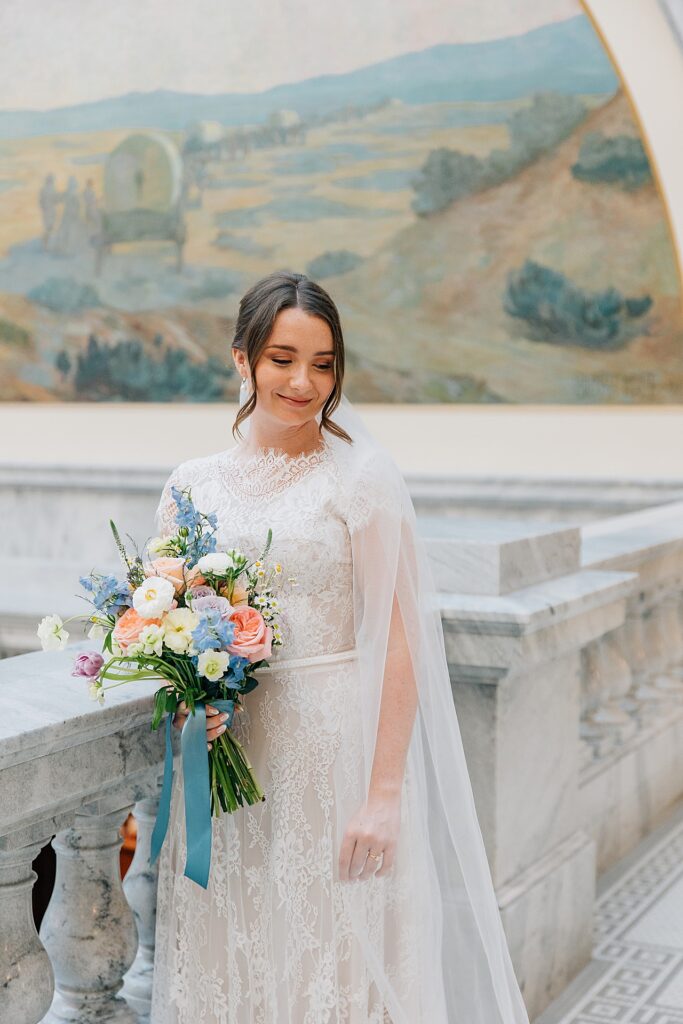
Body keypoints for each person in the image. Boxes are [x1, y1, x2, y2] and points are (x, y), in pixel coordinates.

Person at [149, 270, 530, 1024]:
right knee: (235, 949)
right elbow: (164, 618)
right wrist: (192, 696)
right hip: (231, 758)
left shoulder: (360, 479)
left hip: (335, 759)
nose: (303, 381)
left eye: (323, 363)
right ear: (241, 358)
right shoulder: (190, 485)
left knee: (332, 959)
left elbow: (401, 638)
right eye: (282, 358)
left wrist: (383, 795)